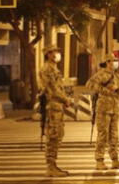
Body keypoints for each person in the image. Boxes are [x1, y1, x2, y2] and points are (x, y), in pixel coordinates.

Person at [86, 53, 119, 170]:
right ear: (106, 63)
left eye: (115, 60)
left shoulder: (117, 77)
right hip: (103, 109)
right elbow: (89, 85)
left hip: (115, 109)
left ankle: (115, 160)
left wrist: (118, 88)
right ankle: (99, 160)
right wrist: (105, 90)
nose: (114, 63)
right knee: (102, 135)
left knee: (114, 136)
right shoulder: (100, 75)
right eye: (112, 60)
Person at [39, 45, 73, 177]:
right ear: (48, 54)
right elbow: (52, 89)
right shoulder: (47, 69)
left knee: (57, 135)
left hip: (57, 107)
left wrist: (64, 100)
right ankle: (50, 167)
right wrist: (65, 99)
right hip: (52, 107)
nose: (57, 54)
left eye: (57, 51)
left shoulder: (53, 68)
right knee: (53, 137)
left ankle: (53, 165)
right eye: (54, 52)